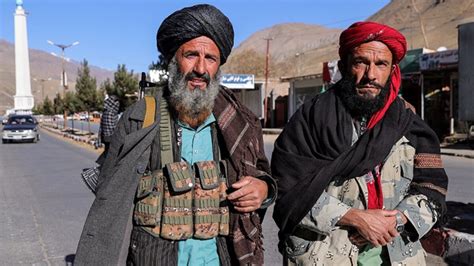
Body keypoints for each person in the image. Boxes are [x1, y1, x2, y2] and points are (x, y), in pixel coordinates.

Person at [75, 4, 276, 266]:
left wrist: (263, 189)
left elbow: (263, 177)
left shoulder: (241, 122)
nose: (200, 68)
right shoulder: (140, 118)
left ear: (218, 65)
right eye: (191, 55)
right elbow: (111, 196)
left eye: (211, 59)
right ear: (173, 60)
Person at [272, 21, 448, 265]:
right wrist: (355, 218)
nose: (371, 75)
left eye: (381, 64)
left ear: (392, 70)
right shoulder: (311, 118)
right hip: (326, 254)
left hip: (397, 255)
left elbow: (432, 188)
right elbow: (288, 189)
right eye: (360, 63)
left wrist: (395, 220)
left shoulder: (408, 122)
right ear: (344, 66)